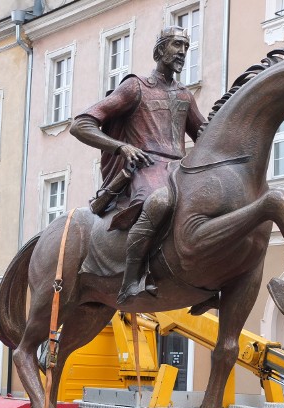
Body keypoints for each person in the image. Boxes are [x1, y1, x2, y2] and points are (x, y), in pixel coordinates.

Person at [70, 26, 205, 304]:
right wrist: (121, 147)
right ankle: (131, 280)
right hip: (146, 168)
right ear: (159, 50)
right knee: (160, 202)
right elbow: (81, 124)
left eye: (186, 47)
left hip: (179, 169)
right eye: (176, 45)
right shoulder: (136, 87)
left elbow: (204, 136)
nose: (182, 52)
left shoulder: (184, 95)